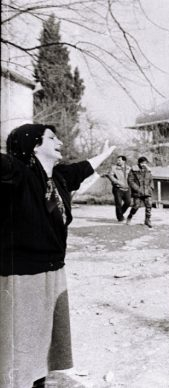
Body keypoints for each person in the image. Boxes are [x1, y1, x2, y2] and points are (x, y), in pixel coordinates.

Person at [0, 123, 114, 388]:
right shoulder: (16, 172)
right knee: (21, 343)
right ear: (34, 145)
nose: (60, 141)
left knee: (43, 341)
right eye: (52, 137)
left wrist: (104, 155)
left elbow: (83, 168)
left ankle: (37, 380)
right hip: (23, 273)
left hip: (53, 270)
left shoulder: (58, 177)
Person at [126, 156, 154, 228]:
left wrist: (151, 188)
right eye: (142, 163)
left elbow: (151, 180)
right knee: (136, 206)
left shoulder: (148, 170)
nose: (144, 164)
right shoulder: (133, 170)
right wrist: (137, 189)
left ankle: (147, 220)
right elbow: (130, 181)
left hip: (147, 191)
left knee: (149, 205)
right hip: (137, 192)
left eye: (145, 163)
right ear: (139, 163)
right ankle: (130, 216)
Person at [106, 155, 131, 222]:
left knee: (128, 202)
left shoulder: (129, 168)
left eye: (119, 160)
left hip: (127, 188)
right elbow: (110, 176)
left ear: (124, 161)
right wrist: (117, 182)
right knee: (118, 203)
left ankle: (120, 214)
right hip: (117, 188)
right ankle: (120, 218)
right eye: (117, 160)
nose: (118, 161)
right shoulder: (113, 168)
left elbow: (131, 178)